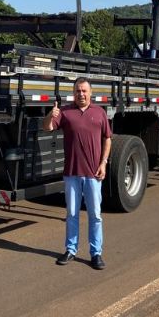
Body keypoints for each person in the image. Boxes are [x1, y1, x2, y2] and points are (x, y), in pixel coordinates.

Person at [43, 77, 112, 270]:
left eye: (84, 91)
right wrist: (50, 114)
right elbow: (47, 128)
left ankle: (96, 253)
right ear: (73, 93)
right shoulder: (64, 112)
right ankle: (71, 249)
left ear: (91, 93)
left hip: (93, 174)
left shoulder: (99, 113)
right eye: (77, 91)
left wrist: (104, 163)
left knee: (95, 215)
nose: (81, 94)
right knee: (72, 213)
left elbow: (108, 139)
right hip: (72, 172)